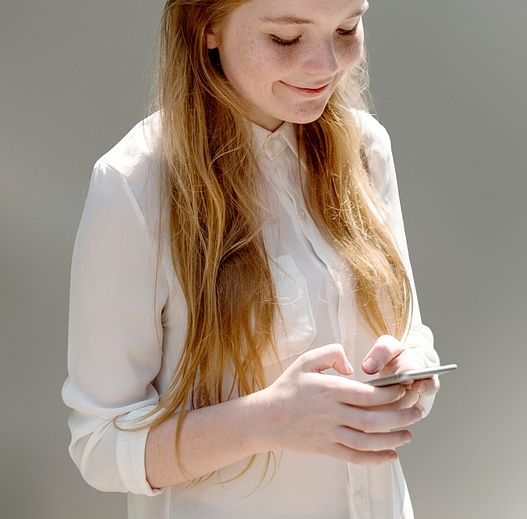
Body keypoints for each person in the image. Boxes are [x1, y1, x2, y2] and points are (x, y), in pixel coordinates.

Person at [60, 1, 443, 517]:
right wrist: (271, 418)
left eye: (348, 29)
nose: (327, 63)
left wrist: (412, 370)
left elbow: (410, 330)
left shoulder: (366, 148)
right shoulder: (135, 185)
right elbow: (101, 446)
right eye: (285, 39)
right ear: (208, 26)